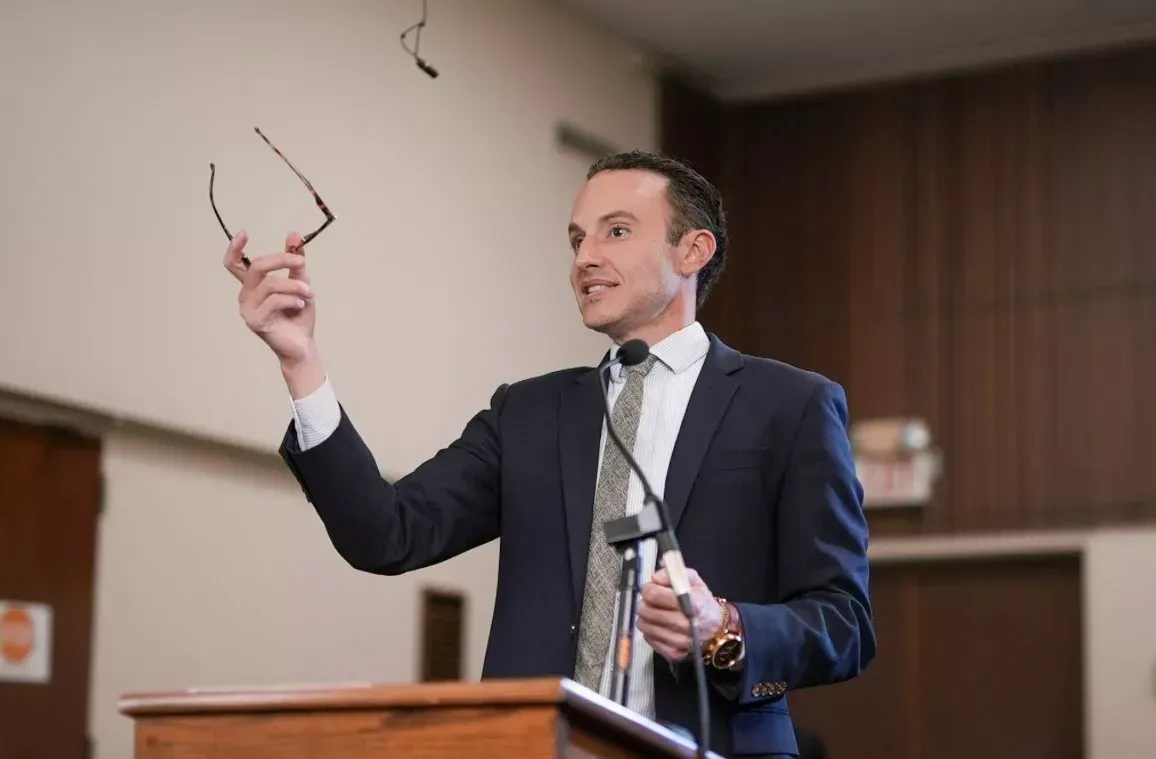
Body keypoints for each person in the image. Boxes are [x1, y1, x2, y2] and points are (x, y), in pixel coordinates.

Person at [223, 150, 875, 757]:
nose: (584, 257)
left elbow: (844, 621)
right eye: (576, 238)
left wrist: (725, 628)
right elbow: (385, 533)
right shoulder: (527, 414)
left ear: (692, 249)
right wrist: (301, 362)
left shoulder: (789, 406)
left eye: (615, 231)